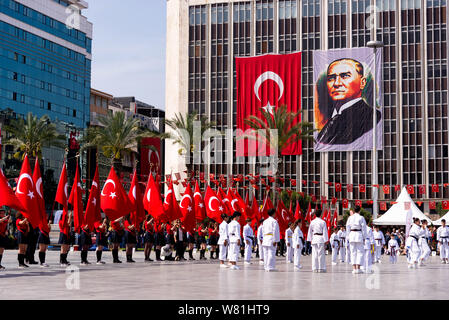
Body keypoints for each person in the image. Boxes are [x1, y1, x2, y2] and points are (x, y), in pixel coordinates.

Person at [316, 58, 381, 147]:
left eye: (345, 76)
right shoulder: (332, 118)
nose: (337, 83)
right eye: (331, 78)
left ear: (362, 82)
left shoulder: (371, 116)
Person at [346, 206, 367, 274]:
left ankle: (354, 268)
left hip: (351, 234)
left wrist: (348, 236)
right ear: (359, 211)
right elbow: (364, 228)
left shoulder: (350, 217)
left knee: (353, 252)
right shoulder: (361, 217)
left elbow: (347, 227)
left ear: (354, 210)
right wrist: (364, 237)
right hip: (358, 234)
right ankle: (358, 268)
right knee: (360, 251)